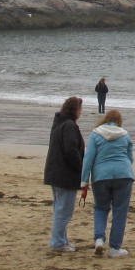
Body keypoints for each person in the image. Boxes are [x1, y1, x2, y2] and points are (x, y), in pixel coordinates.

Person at [81, 108, 135, 257]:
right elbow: (130, 158)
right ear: (119, 121)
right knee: (120, 211)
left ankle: (99, 239)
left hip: (101, 177)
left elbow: (88, 159)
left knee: (100, 208)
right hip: (124, 175)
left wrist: (84, 181)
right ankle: (115, 248)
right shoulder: (125, 135)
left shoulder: (95, 134)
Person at [43, 96, 85, 253]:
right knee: (64, 210)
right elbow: (70, 150)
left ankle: (62, 240)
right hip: (64, 174)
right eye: (80, 109)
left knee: (61, 208)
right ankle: (58, 242)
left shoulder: (61, 123)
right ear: (75, 110)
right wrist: (81, 168)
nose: (81, 112)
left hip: (56, 172)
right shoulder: (68, 126)